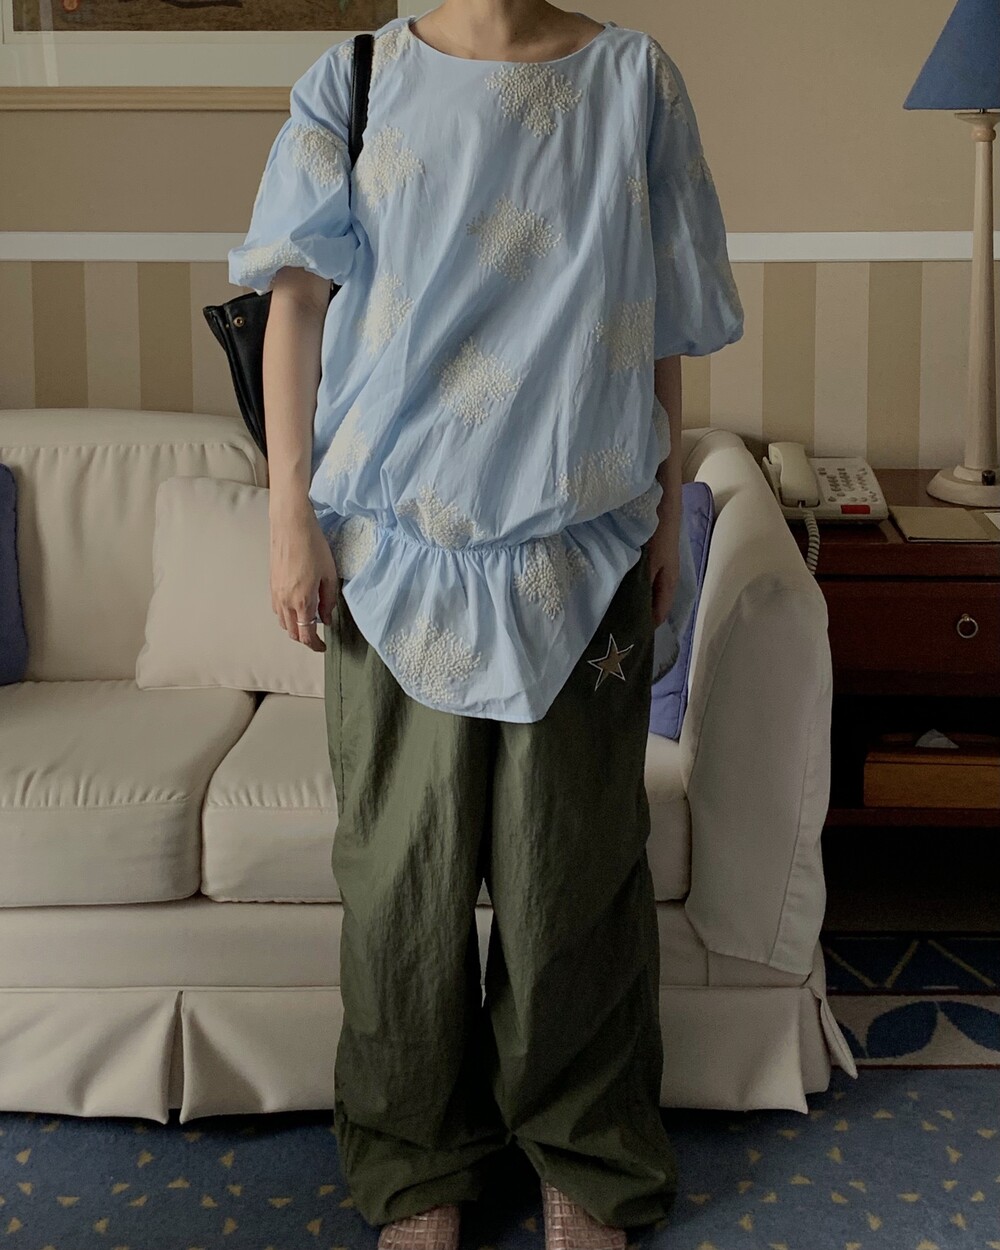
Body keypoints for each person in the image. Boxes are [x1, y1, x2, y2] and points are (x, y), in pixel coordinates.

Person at [228, 3, 743, 1247]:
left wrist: (666, 508)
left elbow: (661, 316)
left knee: (573, 877)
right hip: (394, 553)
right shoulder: (353, 79)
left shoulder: (634, 79)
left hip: (583, 545)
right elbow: (294, 303)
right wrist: (289, 512)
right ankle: (418, 1163)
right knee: (399, 887)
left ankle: (583, 1153)